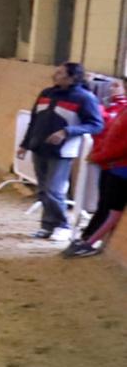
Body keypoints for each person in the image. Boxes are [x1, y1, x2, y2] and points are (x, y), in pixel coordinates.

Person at [17, 62, 106, 241]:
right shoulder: (46, 94)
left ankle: (62, 225)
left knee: (54, 190)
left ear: (72, 77)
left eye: (60, 72)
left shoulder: (84, 98)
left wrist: (67, 132)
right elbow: (34, 121)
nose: (55, 75)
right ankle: (47, 225)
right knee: (43, 190)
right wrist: (25, 144)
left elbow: (96, 124)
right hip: (39, 147)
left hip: (62, 152)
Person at [68, 83, 127, 258]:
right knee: (105, 206)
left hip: (120, 167)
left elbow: (122, 145)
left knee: (111, 210)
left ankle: (89, 242)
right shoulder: (122, 108)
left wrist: (100, 157)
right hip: (113, 165)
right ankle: (88, 239)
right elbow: (111, 132)